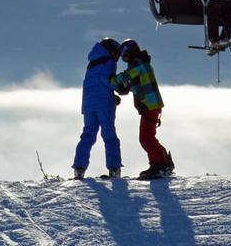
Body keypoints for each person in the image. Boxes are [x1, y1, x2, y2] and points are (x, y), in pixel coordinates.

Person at [113, 39, 174, 180]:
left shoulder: (139, 64)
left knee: (145, 138)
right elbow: (133, 84)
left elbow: (126, 76)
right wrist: (124, 88)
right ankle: (163, 163)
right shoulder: (142, 64)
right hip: (151, 105)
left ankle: (159, 166)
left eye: (124, 53)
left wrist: (111, 81)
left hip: (149, 106)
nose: (124, 57)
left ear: (130, 51)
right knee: (149, 137)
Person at [72, 37, 123, 179]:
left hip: (88, 104)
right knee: (109, 135)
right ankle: (114, 169)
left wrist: (112, 96)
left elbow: (95, 85)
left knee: (88, 135)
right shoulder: (109, 61)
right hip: (104, 104)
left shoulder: (91, 64)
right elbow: (106, 79)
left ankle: (79, 168)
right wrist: (118, 88)